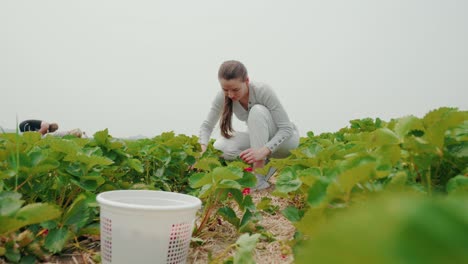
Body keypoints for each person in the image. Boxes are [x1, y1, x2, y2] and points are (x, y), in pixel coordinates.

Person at [198, 60, 300, 190]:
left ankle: (258, 178)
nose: (231, 95)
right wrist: (202, 151)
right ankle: (266, 165)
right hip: (260, 141)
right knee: (220, 146)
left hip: (287, 142)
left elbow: (286, 129)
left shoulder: (262, 90)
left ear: (246, 81)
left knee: (257, 111)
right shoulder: (223, 97)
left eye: (235, 89)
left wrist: (263, 151)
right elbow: (207, 126)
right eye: (225, 90)